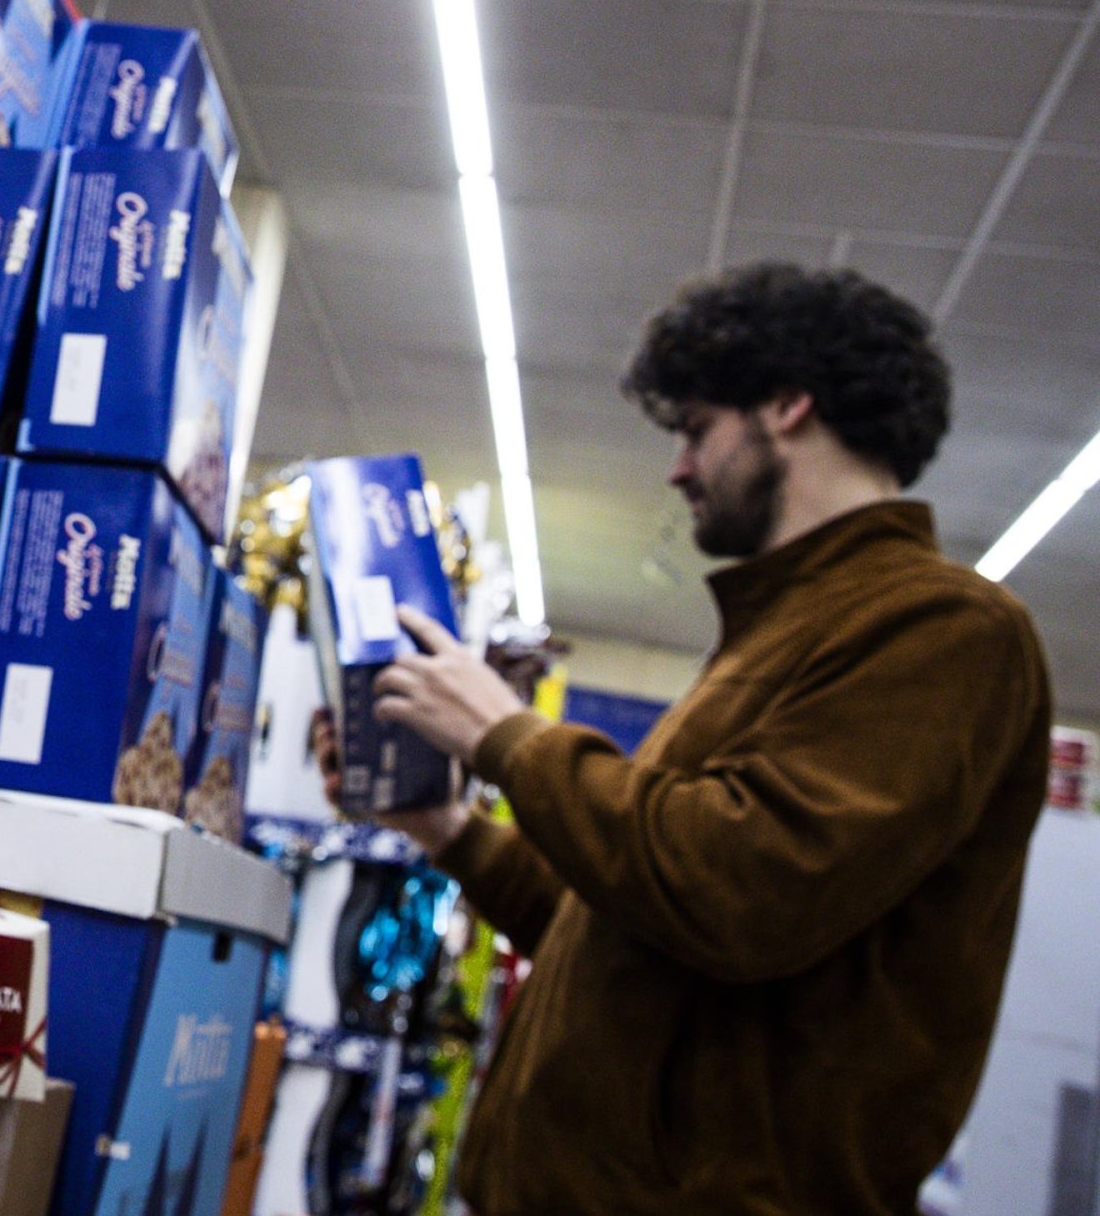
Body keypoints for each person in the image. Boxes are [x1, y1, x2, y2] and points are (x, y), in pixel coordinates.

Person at [323, 263, 1052, 1214]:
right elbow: (624, 926)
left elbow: (742, 889)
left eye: (698, 428)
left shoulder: (947, 629)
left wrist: (508, 734)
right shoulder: (783, 632)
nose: (678, 468)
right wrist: (446, 828)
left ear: (787, 405)